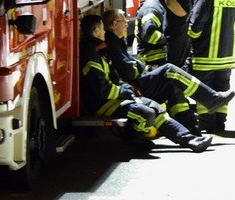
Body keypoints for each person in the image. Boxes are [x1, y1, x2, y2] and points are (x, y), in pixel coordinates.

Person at [79, 14, 211, 153]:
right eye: (102, 29)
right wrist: (123, 91)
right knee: (145, 113)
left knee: (155, 107)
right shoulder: (90, 54)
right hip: (102, 103)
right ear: (96, 31)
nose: (105, 32)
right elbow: (103, 89)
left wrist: (125, 88)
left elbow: (112, 79)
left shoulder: (97, 50)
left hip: (111, 98)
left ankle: (189, 139)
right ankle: (133, 140)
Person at [101, 9, 234, 133]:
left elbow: (133, 64)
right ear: (114, 24)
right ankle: (211, 100)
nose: (126, 24)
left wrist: (136, 65)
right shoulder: (112, 43)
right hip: (132, 90)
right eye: (124, 21)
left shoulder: (116, 41)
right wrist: (137, 67)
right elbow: (129, 72)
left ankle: (190, 128)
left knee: (173, 85)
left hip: (132, 87)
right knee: (170, 70)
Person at [188, 0, 235, 134]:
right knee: (223, 89)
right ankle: (220, 123)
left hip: (206, 54)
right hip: (227, 55)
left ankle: (207, 124)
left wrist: (192, 38)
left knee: (204, 89)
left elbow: (196, 22)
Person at [134, 0, 168, 67]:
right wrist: (171, 39)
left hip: (158, 59)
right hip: (153, 60)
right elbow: (148, 35)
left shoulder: (160, 5)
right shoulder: (152, 9)